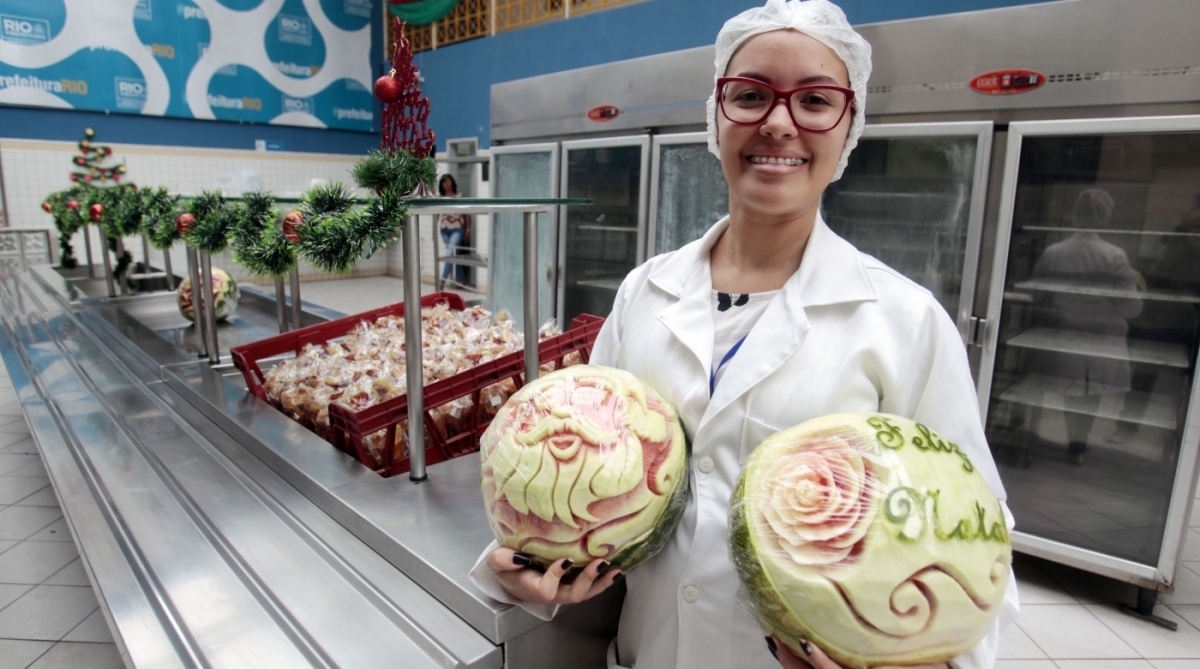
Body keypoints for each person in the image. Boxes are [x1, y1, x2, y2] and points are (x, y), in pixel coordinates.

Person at [471, 1, 1018, 667]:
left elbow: (978, 537)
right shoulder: (646, 292)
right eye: (751, 95)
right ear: (717, 115)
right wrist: (529, 565)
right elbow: (588, 470)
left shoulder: (904, 321)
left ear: (849, 126)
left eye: (815, 100)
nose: (779, 123)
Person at [1029, 188, 1143, 464]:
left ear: (1074, 216)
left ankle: (1031, 443)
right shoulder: (1114, 256)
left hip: (1063, 334)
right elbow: (1132, 307)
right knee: (1089, 398)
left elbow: (1038, 296)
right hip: (1102, 340)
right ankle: (1077, 446)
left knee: (1065, 392)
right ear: (1105, 220)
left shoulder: (1054, 252)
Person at [437, 174, 469, 289]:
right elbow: (437, 214)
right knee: (453, 254)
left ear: (452, 182)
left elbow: (467, 214)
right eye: (443, 181)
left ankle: (442, 281)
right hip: (444, 230)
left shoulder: (460, 196)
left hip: (458, 229)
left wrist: (468, 229)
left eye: (448, 181)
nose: (446, 183)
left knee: (450, 253)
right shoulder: (440, 199)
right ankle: (461, 277)